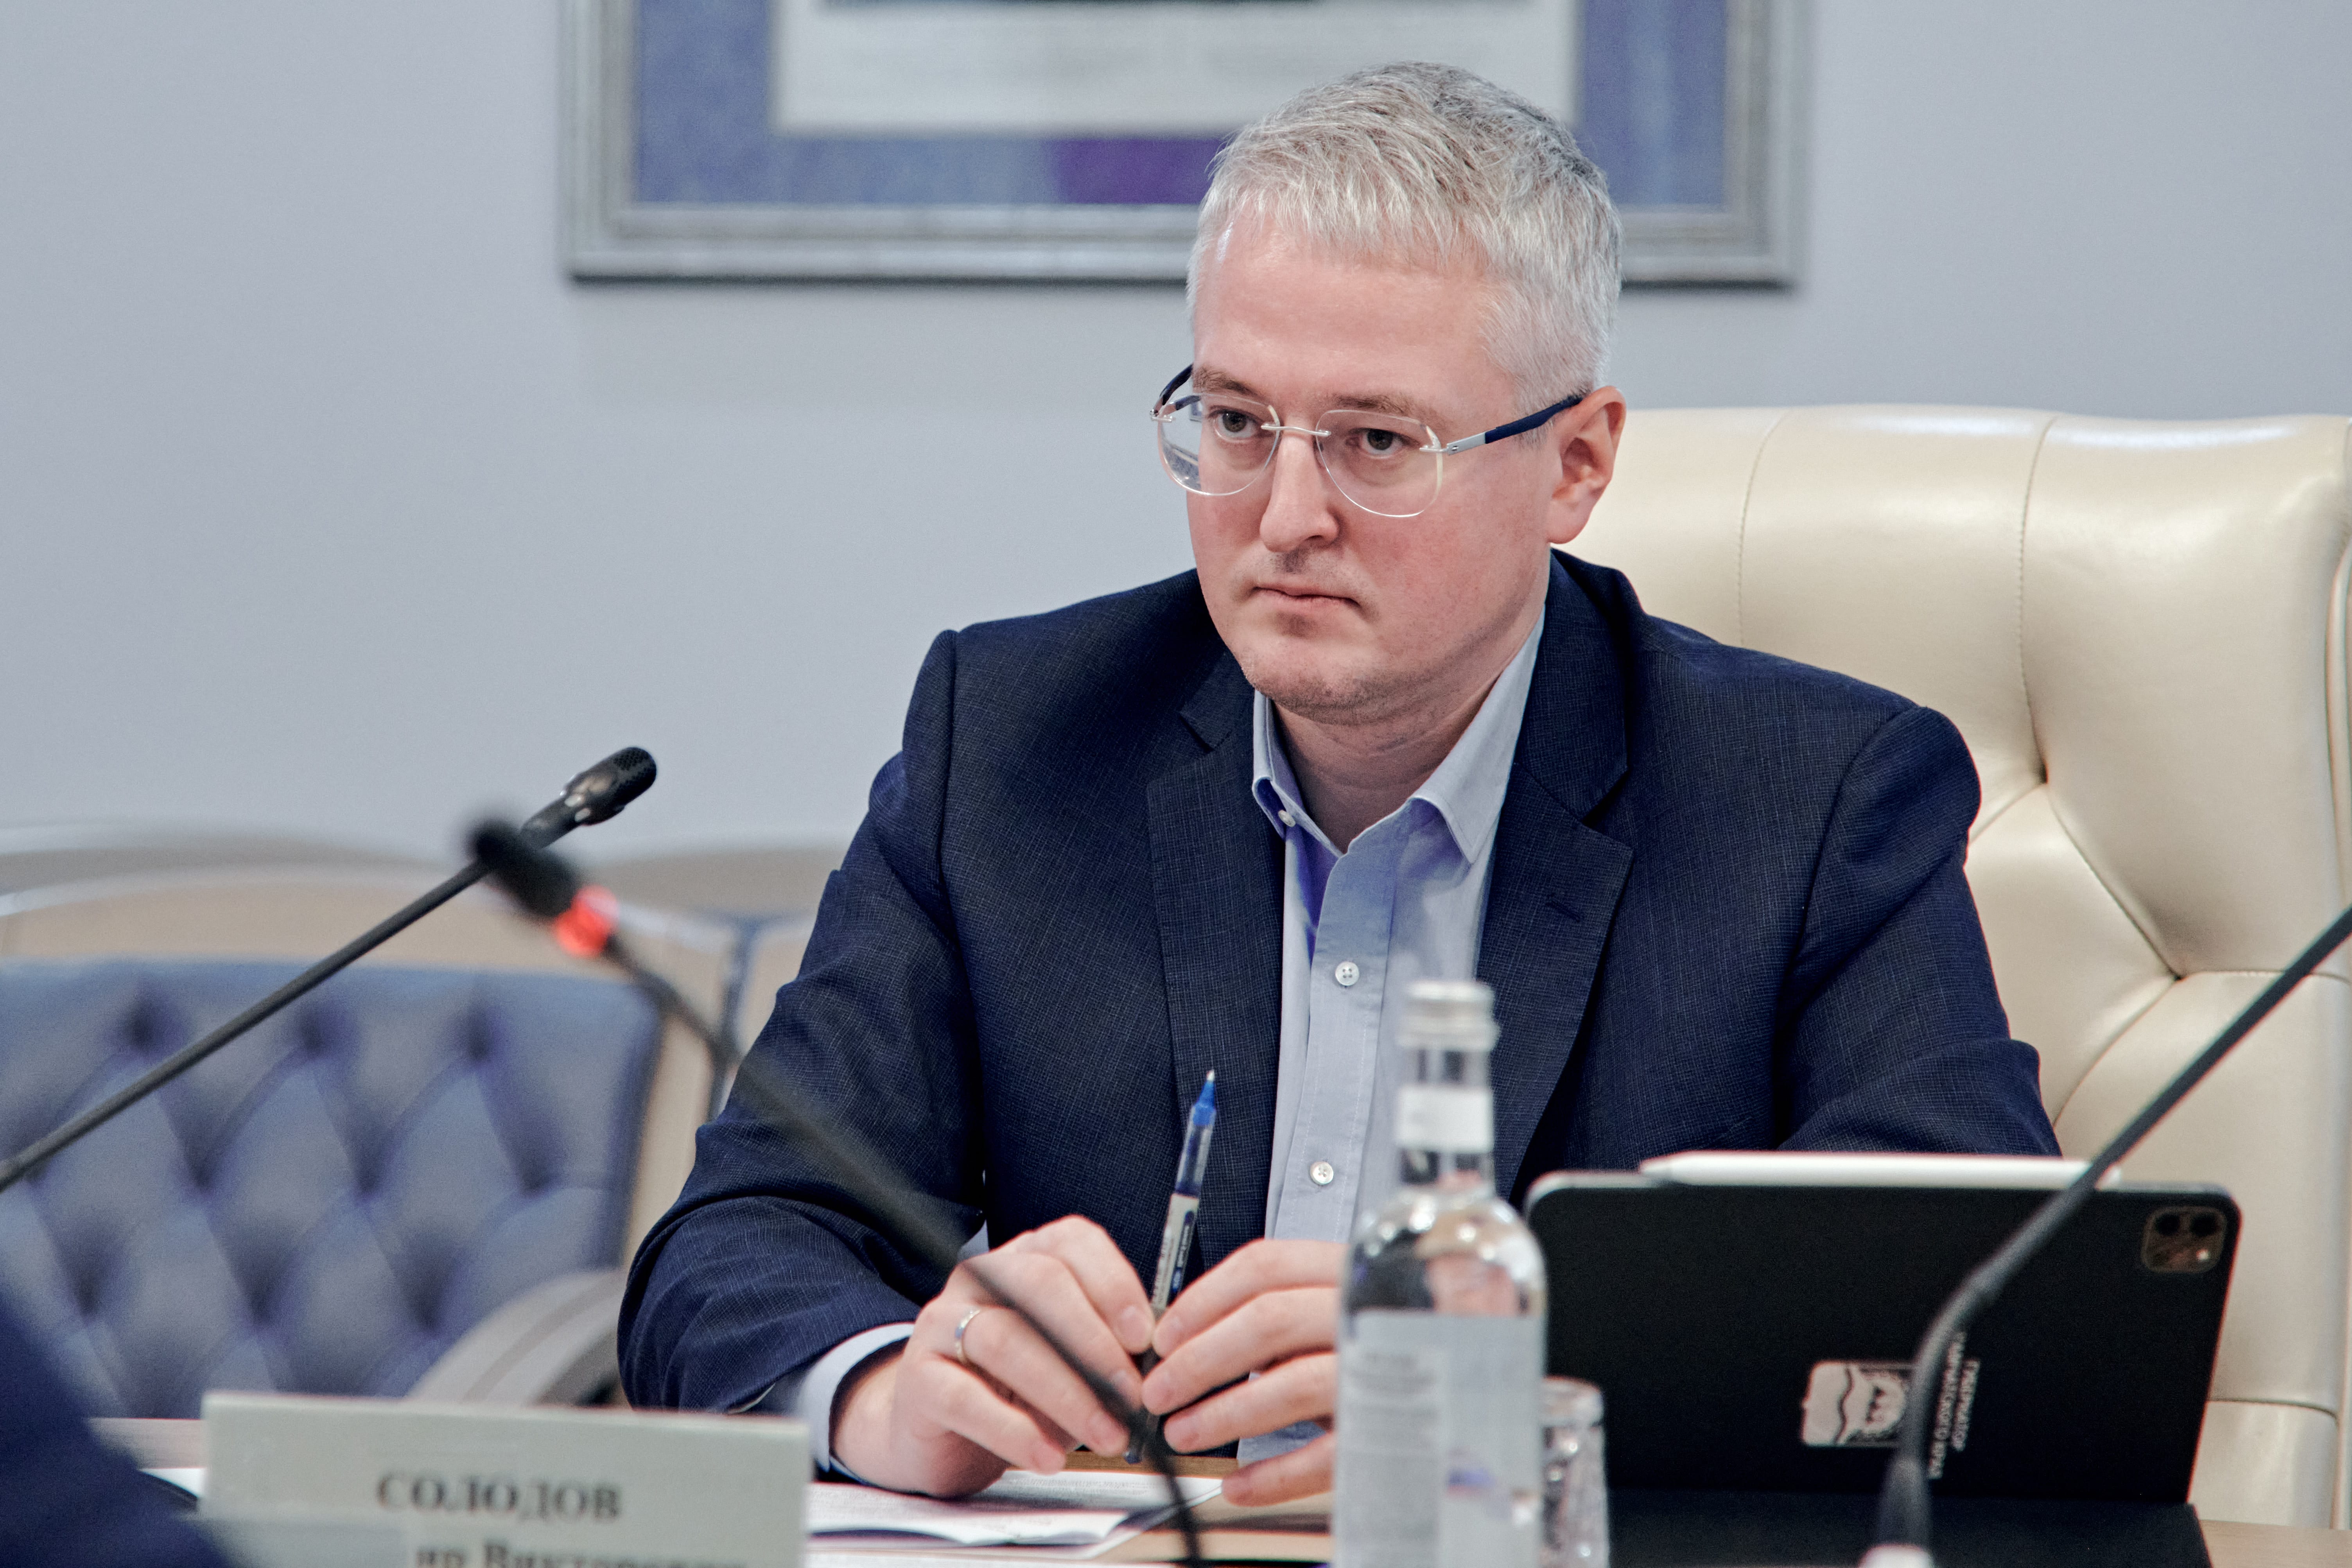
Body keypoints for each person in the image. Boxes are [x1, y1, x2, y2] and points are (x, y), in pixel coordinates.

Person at [619, 61, 2058, 1506]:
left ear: (1575, 464)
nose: (1290, 517)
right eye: (1238, 422)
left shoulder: (1816, 803)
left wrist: (1515, 1369)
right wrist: (884, 1388)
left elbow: (1990, 1312)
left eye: (1378, 442)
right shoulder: (1010, 748)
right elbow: (734, 1243)